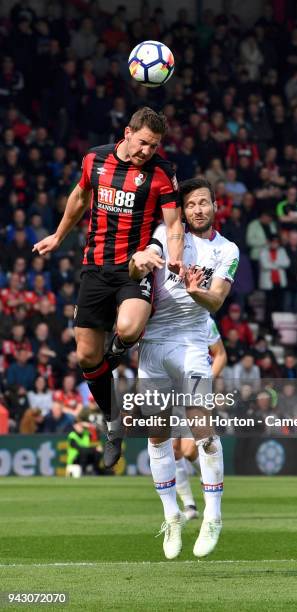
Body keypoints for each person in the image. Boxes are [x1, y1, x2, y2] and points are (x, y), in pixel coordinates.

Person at [33, 107, 184, 469]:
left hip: (135, 266)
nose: (149, 150)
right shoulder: (95, 160)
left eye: (156, 145)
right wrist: (58, 235)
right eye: (145, 142)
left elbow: (174, 221)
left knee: (130, 327)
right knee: (86, 356)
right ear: (128, 132)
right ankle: (114, 422)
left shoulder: (162, 173)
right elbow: (79, 198)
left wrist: (175, 258)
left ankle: (115, 352)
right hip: (96, 268)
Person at [130, 177, 239, 559]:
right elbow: (135, 271)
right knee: (158, 435)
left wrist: (197, 291)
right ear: (184, 208)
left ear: (214, 205)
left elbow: (217, 301)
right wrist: (137, 261)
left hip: (193, 341)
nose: (197, 209)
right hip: (155, 342)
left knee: (202, 429)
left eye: (204, 203)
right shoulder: (165, 232)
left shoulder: (227, 250)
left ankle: (213, 515)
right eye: (191, 204)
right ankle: (172, 516)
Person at [174, 316, 227, 521]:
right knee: (173, 449)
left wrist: (205, 382)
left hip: (194, 389)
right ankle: (189, 505)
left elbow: (220, 355)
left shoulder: (205, 320)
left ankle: (211, 482)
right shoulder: (164, 315)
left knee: (188, 450)